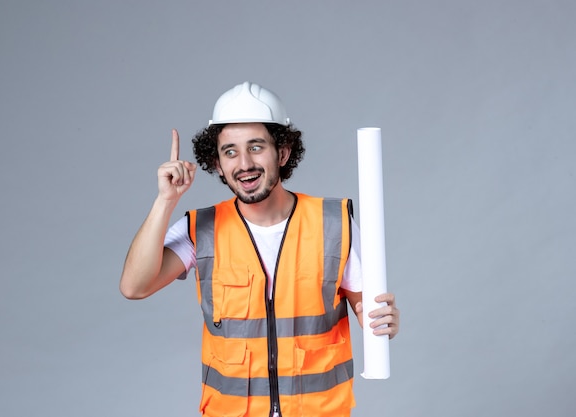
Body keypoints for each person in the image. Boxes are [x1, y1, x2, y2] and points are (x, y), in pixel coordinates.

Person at [120, 81, 400, 417]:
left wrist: (383, 321)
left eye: (256, 147)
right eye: (230, 152)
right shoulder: (201, 229)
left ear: (282, 152)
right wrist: (165, 202)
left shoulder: (333, 224)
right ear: (218, 163)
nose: (244, 164)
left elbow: (368, 314)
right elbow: (134, 287)